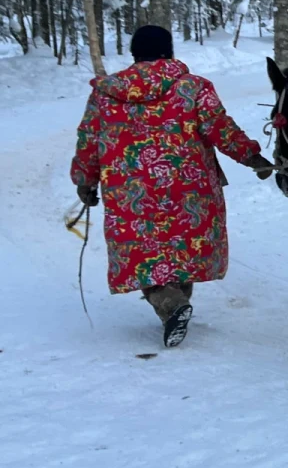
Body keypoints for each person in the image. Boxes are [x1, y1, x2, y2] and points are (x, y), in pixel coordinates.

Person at [70, 25, 274, 347]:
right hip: (189, 187)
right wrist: (251, 157)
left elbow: (89, 140)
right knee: (184, 247)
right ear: (169, 51)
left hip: (129, 193)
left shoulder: (106, 93)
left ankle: (170, 303)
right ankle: (177, 302)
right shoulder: (193, 87)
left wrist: (85, 180)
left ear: (135, 53)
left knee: (143, 252)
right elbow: (220, 127)